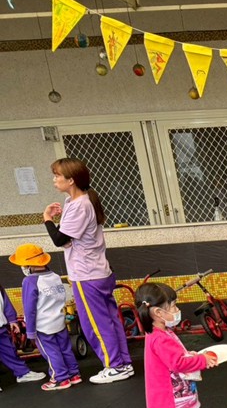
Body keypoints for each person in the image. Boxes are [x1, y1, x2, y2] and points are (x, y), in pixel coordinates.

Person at [42, 158, 133, 384]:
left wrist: (47, 219)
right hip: (98, 272)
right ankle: (123, 363)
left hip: (87, 275)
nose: (54, 180)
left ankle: (114, 366)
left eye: (57, 175)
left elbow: (59, 239)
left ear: (71, 180)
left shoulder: (80, 205)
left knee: (96, 325)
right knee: (110, 320)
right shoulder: (77, 201)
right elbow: (68, 237)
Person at [136, 282, 218, 408]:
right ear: (158, 312)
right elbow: (178, 363)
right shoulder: (160, 338)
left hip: (172, 396)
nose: (177, 310)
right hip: (170, 399)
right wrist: (202, 360)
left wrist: (192, 356)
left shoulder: (161, 332)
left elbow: (176, 357)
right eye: (173, 306)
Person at [8, 244, 80, 391]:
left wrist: (30, 331)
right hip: (59, 321)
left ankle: (60, 378)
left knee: (51, 352)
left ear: (28, 265)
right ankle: (74, 374)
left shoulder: (29, 281)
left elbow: (29, 308)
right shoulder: (55, 277)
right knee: (65, 349)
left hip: (42, 326)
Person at [0, 287, 45, 389]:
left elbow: (6, 303)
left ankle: (22, 373)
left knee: (10, 351)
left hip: (1, 328)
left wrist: (12, 320)